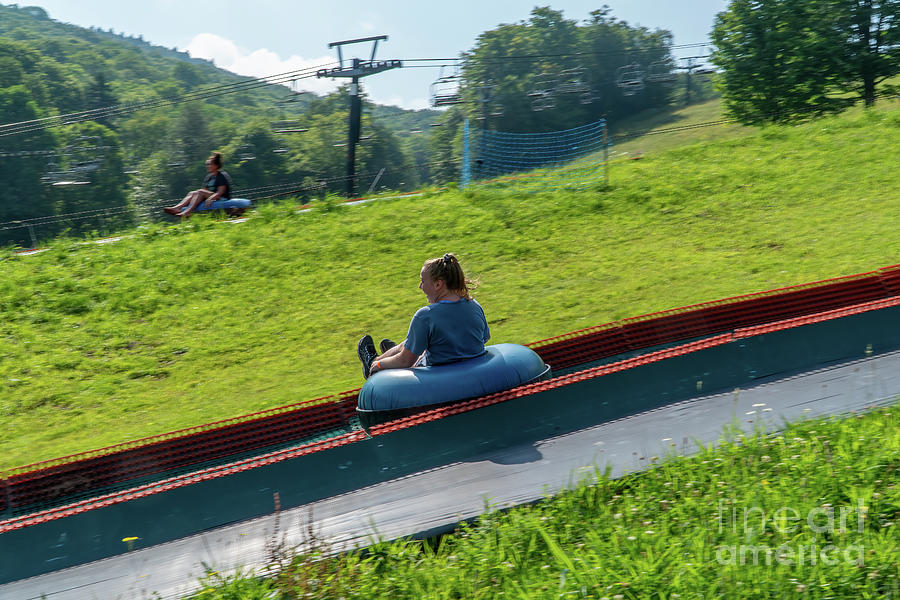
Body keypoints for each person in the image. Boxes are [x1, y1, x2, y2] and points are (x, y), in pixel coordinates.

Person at [357, 253, 490, 379]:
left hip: (436, 378)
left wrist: (379, 366)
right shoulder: (474, 306)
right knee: (412, 344)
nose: (420, 286)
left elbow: (405, 361)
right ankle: (392, 352)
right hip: (475, 373)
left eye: (422, 281)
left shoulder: (425, 316)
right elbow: (484, 338)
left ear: (438, 284)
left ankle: (373, 362)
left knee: (410, 351)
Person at [163, 152, 233, 217]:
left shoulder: (221, 175)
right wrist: (198, 195)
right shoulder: (209, 177)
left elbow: (220, 192)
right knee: (193, 193)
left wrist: (211, 198)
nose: (207, 166)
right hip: (212, 196)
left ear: (216, 165)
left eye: (210, 164)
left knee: (200, 192)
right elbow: (204, 191)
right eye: (207, 165)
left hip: (222, 198)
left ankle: (188, 211)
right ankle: (177, 208)